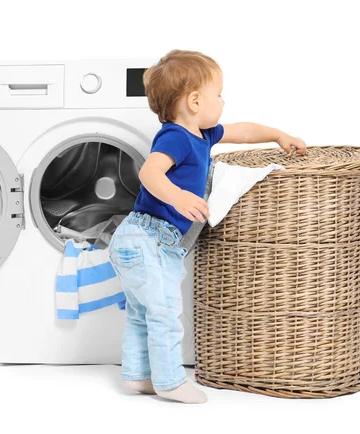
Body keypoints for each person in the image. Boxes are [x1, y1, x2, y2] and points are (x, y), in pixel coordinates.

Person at [107, 49, 307, 404]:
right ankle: (169, 381)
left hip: (147, 243)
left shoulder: (203, 135)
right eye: (219, 94)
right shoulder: (176, 137)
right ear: (196, 100)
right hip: (146, 240)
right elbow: (149, 172)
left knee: (143, 313)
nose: (223, 101)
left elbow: (242, 131)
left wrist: (278, 134)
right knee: (165, 312)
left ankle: (137, 376)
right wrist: (178, 197)